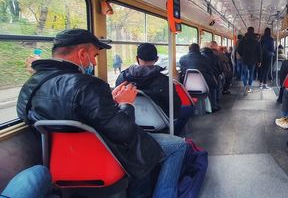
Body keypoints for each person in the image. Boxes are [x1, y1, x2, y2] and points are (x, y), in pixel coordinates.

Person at [16, 29, 186, 198]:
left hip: (59, 161)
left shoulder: (32, 85)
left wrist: (108, 101)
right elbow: (123, 132)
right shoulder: (88, 85)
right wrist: (125, 104)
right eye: (95, 56)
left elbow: (33, 117)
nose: (95, 64)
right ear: (82, 54)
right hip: (105, 152)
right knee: (177, 145)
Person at [116, 43, 194, 135]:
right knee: (188, 109)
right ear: (156, 59)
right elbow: (175, 106)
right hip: (160, 121)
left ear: (137, 58)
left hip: (131, 120)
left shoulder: (122, 78)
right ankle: (174, 135)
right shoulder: (164, 81)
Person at [179, 43, 220, 111]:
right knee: (213, 85)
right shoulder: (205, 59)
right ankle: (213, 105)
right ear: (198, 49)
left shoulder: (182, 59)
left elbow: (182, 69)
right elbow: (210, 71)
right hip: (203, 84)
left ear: (189, 49)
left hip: (187, 85)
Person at [237, 27, 262, 94]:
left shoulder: (243, 39)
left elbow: (239, 50)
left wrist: (243, 55)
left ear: (247, 31)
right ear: (253, 31)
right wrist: (259, 61)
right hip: (253, 60)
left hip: (244, 59)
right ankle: (249, 87)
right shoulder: (256, 40)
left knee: (243, 74)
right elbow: (259, 52)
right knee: (251, 74)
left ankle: (245, 85)